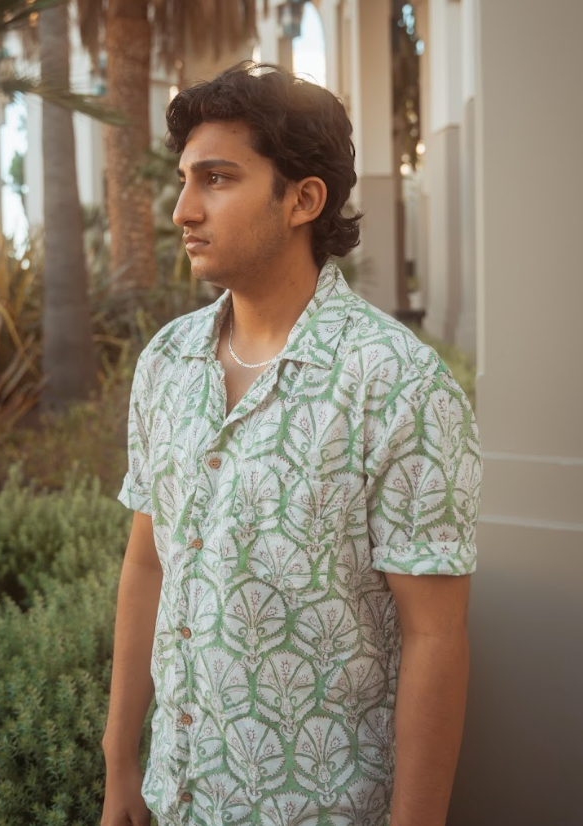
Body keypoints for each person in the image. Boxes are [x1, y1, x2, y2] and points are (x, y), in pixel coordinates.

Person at [101, 61, 482, 826]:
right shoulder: (167, 363)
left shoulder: (397, 384)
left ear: (304, 200)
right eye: (184, 179)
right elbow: (147, 565)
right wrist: (120, 767)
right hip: (175, 798)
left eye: (216, 179)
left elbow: (434, 636)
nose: (182, 209)